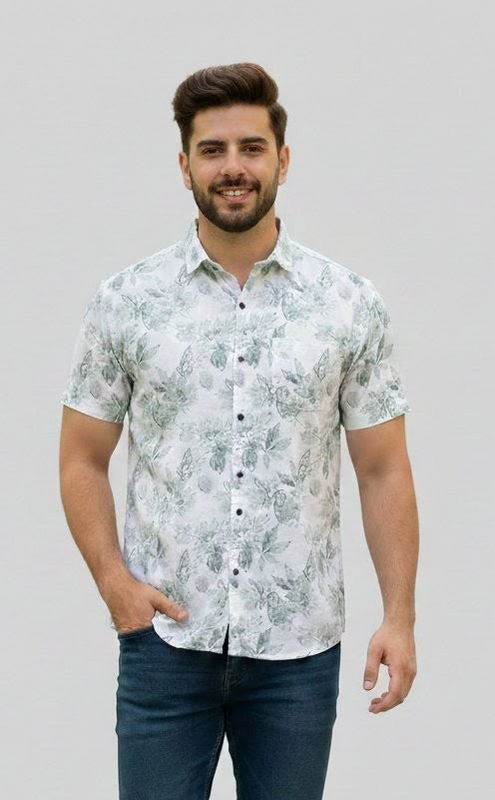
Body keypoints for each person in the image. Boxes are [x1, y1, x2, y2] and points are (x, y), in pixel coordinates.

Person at [59, 62, 419, 800]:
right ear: (184, 165)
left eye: (251, 148)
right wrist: (114, 585)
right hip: (165, 645)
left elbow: (382, 468)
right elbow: (81, 459)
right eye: (213, 150)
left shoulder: (347, 305)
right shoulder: (127, 302)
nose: (233, 168)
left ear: (282, 160)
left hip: (297, 651)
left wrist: (400, 616)